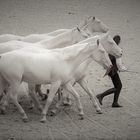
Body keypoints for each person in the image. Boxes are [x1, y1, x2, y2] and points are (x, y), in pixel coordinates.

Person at [96, 35, 127, 107]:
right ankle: (101, 95)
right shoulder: (117, 50)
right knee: (118, 86)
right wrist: (123, 69)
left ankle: (115, 102)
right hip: (113, 71)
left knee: (118, 86)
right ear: (119, 42)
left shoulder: (108, 49)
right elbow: (119, 64)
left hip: (109, 70)